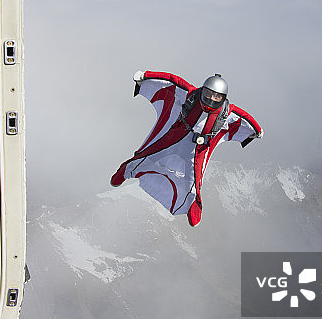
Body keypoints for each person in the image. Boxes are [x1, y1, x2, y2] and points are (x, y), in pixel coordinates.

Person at [110, 70, 263, 227]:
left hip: (197, 149)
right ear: (203, 91)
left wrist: (256, 131)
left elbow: (244, 117)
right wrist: (146, 76)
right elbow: (172, 80)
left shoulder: (226, 113)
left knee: (194, 181)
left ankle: (193, 205)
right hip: (175, 137)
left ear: (223, 98)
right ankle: (125, 171)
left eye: (216, 97)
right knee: (148, 155)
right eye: (208, 94)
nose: (211, 99)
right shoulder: (190, 95)